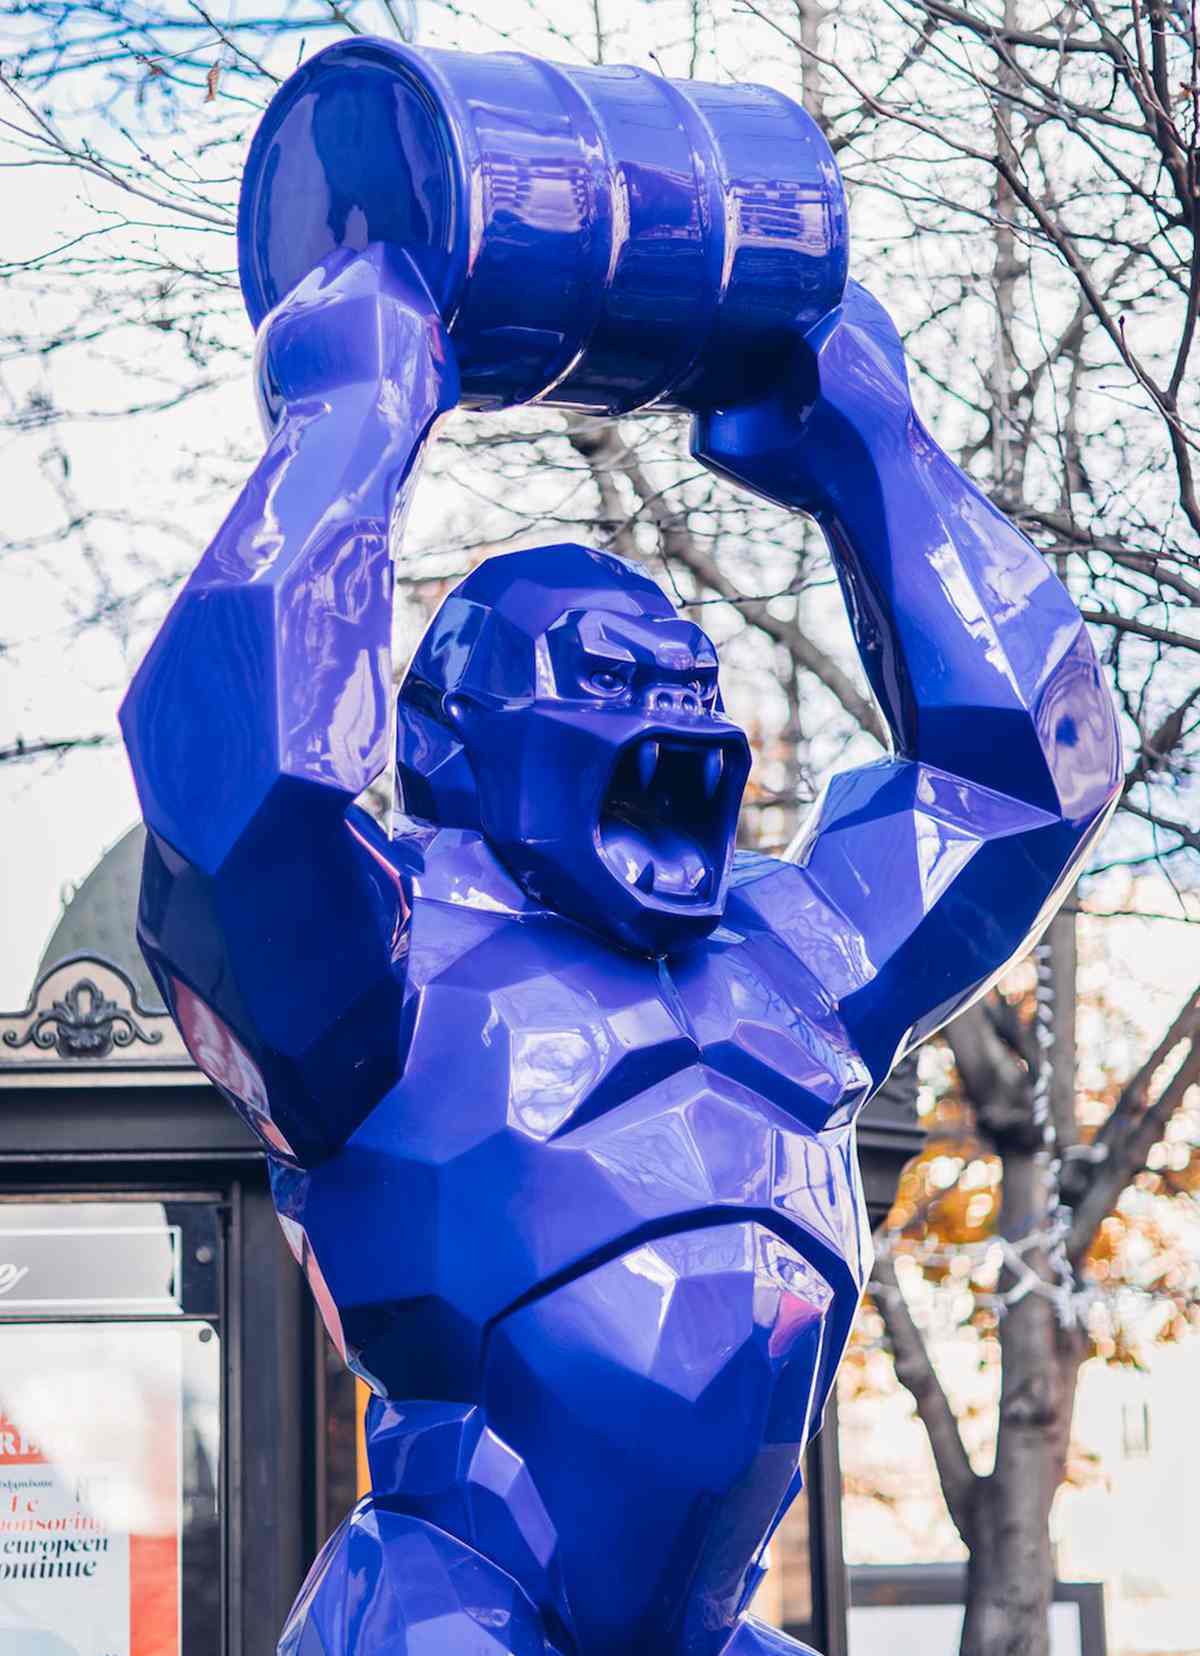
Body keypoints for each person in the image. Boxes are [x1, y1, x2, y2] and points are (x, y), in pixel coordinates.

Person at [120, 242, 1121, 1656]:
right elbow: (238, 800)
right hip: (456, 1593)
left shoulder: (797, 954)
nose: (679, 717)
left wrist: (870, 443)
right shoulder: (400, 973)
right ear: (457, 745)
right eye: (609, 680)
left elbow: (1037, 775)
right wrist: (354, 418)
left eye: (690, 683)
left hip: (714, 1623)